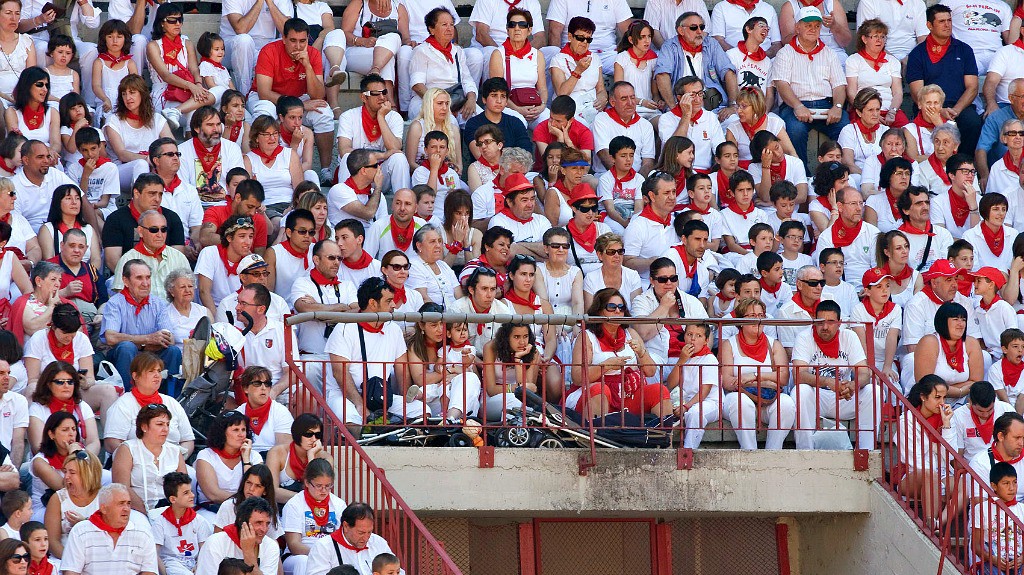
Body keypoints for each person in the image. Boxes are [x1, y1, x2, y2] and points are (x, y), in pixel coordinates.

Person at [791, 299, 879, 449]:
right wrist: (827, 382)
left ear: (840, 322)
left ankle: (867, 451)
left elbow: (864, 372)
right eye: (820, 322)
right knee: (801, 390)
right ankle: (805, 452)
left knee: (874, 391)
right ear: (814, 321)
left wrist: (853, 385)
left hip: (844, 395)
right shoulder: (804, 337)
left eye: (831, 322)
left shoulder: (849, 336)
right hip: (817, 396)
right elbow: (798, 375)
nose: (825, 327)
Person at [325, 278, 408, 433]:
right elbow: (340, 372)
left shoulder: (394, 329)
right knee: (352, 423)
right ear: (372, 303)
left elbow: (402, 370)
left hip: (382, 396)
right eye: (389, 301)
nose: (394, 305)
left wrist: (406, 400)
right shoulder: (344, 328)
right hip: (345, 395)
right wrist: (359, 404)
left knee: (421, 411)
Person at [569, 287, 666, 418]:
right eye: (611, 307)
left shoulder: (630, 333)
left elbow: (650, 372)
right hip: (595, 394)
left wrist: (642, 353)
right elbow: (577, 377)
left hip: (627, 393)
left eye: (621, 307)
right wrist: (606, 366)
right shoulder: (587, 336)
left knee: (659, 390)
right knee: (600, 389)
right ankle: (595, 435)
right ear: (599, 311)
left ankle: (663, 437)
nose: (618, 311)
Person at [770, 7, 849, 166]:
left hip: (826, 105)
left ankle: (841, 171)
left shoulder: (829, 53)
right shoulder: (785, 53)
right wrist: (798, 106)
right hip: (795, 105)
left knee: (845, 128)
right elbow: (782, 85)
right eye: (807, 25)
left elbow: (839, 85)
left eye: (816, 25)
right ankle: (802, 176)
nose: (813, 29)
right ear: (797, 27)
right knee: (795, 130)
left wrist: (838, 106)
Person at [719, 297, 795, 450]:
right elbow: (727, 381)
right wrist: (769, 379)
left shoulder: (774, 344)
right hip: (737, 401)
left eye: (761, 316)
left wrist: (753, 377)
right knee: (741, 401)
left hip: (768, 400)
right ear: (741, 320)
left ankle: (773, 453)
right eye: (752, 316)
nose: (758, 320)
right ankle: (750, 452)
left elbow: (784, 377)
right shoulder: (729, 344)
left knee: (786, 403)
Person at [906, 5, 983, 156]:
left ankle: (962, 163)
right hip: (930, 107)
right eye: (941, 21)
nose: (947, 25)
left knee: (972, 122)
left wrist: (956, 110)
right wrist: (939, 110)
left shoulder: (964, 49)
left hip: (959, 106)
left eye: (949, 20)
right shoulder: (917, 54)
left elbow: (972, 87)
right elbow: (917, 94)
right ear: (929, 25)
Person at [101, 259, 181, 390]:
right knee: (127, 348)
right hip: (125, 356)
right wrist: (147, 340)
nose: (145, 283)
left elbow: (170, 338)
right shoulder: (115, 303)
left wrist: (145, 346)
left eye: (148, 277)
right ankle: (127, 395)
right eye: (139, 278)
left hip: (151, 354)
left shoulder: (158, 303)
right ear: (126, 281)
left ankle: (167, 399)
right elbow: (110, 337)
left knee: (173, 351)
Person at [102, 352, 194, 457]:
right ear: (135, 376)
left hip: (172, 463)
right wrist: (142, 459)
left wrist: (179, 459)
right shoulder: (123, 404)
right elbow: (111, 443)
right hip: (135, 464)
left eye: (159, 371)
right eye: (151, 371)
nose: (157, 375)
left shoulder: (172, 402)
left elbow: (188, 440)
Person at [654, 13, 737, 123]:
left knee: (734, 122)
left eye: (701, 27)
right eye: (694, 27)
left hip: (712, 107)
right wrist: (673, 108)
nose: (699, 31)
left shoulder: (711, 44)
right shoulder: (670, 46)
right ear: (681, 30)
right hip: (681, 106)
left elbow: (728, 72)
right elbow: (661, 75)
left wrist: (733, 105)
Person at [60, 483, 157, 575]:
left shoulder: (144, 534)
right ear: (104, 509)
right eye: (121, 503)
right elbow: (71, 571)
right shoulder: (80, 531)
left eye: (128, 503)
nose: (126, 509)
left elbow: (149, 572)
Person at [335, 74, 409, 193]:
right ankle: (345, 201)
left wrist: (381, 117)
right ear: (364, 97)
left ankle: (403, 201)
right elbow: (344, 150)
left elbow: (395, 148)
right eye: (375, 94)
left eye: (384, 92)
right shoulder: (348, 116)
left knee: (399, 158)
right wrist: (381, 155)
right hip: (358, 174)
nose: (382, 97)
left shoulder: (394, 117)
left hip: (381, 174)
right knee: (347, 158)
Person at [101, 174, 187, 274]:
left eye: (160, 194)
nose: (157, 199)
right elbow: (112, 261)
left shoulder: (172, 218)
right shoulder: (116, 219)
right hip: (127, 279)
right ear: (136, 193)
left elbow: (177, 258)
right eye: (152, 194)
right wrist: (139, 280)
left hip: (166, 278)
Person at [145, 4, 212, 131]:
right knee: (195, 112)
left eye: (180, 19)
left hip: (188, 90)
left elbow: (194, 69)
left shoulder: (187, 43)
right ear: (161, 23)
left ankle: (179, 116)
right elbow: (166, 75)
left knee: (217, 91)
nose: (177, 24)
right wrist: (191, 86)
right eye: (172, 20)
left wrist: (198, 84)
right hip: (164, 93)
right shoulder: (153, 46)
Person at [111, 403, 186, 512]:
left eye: (167, 424)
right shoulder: (127, 449)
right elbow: (122, 488)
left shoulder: (175, 450)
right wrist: (146, 512)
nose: (165, 429)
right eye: (160, 424)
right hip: (136, 510)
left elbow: (184, 487)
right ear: (144, 426)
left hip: (171, 510)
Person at [103, 75, 174, 192]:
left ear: (142, 94)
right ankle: (139, 205)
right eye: (124, 94)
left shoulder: (156, 119)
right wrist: (149, 159)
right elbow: (122, 154)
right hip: (120, 171)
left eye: (132, 92)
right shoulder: (114, 120)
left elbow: (171, 147)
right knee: (141, 165)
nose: (128, 97)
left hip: (152, 168)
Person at [407, 7, 477, 123]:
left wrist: (471, 98)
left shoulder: (457, 51)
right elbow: (417, 85)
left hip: (455, 99)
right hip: (427, 100)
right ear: (432, 29)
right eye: (444, 24)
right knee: (449, 122)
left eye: (452, 24)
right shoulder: (422, 50)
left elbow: (467, 79)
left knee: (477, 119)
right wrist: (438, 103)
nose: (450, 29)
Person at [110, 210, 191, 301]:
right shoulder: (127, 259)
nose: (160, 235)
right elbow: (121, 300)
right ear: (140, 231)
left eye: (163, 229)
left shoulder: (179, 257)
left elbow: (188, 293)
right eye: (154, 230)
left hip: (174, 313)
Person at [281, 459, 344, 575]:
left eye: (328, 486)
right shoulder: (294, 504)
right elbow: (294, 545)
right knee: (304, 562)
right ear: (306, 482)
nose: (324, 491)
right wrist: (320, 554)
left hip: (330, 555)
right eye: (319, 486)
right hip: (298, 556)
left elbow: (343, 539)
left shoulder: (339, 504)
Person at [487, 8, 547, 127]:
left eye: (522, 25)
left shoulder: (537, 55)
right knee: (519, 122)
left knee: (550, 123)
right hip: (508, 105)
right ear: (507, 29)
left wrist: (542, 106)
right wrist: (518, 109)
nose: (517, 28)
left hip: (533, 104)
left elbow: (543, 88)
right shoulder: (498, 54)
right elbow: (496, 91)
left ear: (529, 30)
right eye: (512, 25)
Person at [812, 187, 880, 289]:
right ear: (840, 206)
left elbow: (878, 268)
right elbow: (825, 272)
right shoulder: (827, 237)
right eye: (853, 203)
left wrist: (869, 290)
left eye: (861, 203)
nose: (859, 208)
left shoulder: (873, 233)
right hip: (839, 290)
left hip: (869, 290)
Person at [304, 503, 397, 575]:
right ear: (346, 526)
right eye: (361, 533)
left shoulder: (378, 542)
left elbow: (397, 570)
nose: (366, 538)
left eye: (369, 532)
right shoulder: (324, 547)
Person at [243, 116, 304, 225]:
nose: (272, 138)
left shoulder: (289, 154)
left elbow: (300, 189)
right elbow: (248, 192)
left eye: (275, 133)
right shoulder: (249, 159)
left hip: (290, 204)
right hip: (265, 207)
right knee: (278, 223)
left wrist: (291, 207)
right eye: (267, 134)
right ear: (256, 137)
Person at [547, 17, 606, 128]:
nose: (584, 43)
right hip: (569, 111)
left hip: (592, 108)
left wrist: (603, 99)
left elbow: (601, 89)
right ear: (570, 37)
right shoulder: (558, 60)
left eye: (588, 39)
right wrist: (578, 71)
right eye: (580, 38)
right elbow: (561, 94)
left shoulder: (595, 58)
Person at [194, 497, 279, 575]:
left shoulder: (271, 546)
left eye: (267, 523)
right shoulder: (216, 542)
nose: (264, 529)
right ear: (242, 521)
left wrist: (248, 553)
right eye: (258, 523)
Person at [179, 107, 245, 206]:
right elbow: (183, 188)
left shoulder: (232, 148)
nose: (216, 129)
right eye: (210, 125)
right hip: (194, 206)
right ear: (197, 128)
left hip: (225, 206)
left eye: (218, 124)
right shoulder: (181, 151)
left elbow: (238, 183)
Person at [42, 448, 101, 559]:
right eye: (65, 472)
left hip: (97, 559)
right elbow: (53, 541)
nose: (66, 476)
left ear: (87, 474)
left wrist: (84, 523)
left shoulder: (104, 498)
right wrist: (72, 561)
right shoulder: (58, 499)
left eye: (72, 472)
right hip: (64, 557)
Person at [151, 472, 213, 575]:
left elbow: (205, 550)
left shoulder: (199, 521)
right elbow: (153, 553)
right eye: (186, 493)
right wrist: (164, 573)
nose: (192, 495)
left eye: (191, 491)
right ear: (173, 499)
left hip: (194, 565)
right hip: (171, 565)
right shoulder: (160, 523)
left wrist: (198, 566)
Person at [481, 321, 541, 421]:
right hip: (490, 402)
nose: (522, 342)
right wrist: (518, 388)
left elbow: (528, 391)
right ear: (506, 337)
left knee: (525, 406)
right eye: (516, 337)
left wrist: (517, 359)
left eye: (525, 336)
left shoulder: (532, 352)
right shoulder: (491, 348)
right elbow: (491, 390)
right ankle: (508, 433)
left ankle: (516, 432)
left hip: (519, 400)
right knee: (514, 400)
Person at [11, 140, 75, 233]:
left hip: (60, 229)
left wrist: (96, 232)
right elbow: (16, 223)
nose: (46, 161)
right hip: (29, 234)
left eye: (48, 156)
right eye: (40, 157)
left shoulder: (56, 174)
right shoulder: (14, 185)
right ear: (26, 160)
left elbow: (81, 197)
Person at [592, 82, 655, 176]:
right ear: (613, 102)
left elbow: (648, 162)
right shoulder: (601, 119)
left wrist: (636, 182)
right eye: (624, 99)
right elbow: (604, 154)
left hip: (638, 179)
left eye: (632, 97)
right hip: (607, 175)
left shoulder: (645, 125)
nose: (630, 103)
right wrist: (624, 178)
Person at [623, 172, 677, 281]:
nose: (672, 197)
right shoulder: (637, 226)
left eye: (674, 192)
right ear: (652, 196)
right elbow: (626, 262)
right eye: (666, 193)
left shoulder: (677, 221)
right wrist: (653, 262)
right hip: (646, 285)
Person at [195, 216, 254, 312]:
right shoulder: (210, 253)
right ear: (229, 238)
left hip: (241, 312)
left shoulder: (251, 260)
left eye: (250, 236)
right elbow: (204, 291)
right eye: (242, 236)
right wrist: (217, 321)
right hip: (213, 312)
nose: (248, 242)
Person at [199, 180, 270, 257]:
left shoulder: (259, 220)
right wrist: (237, 243)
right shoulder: (215, 212)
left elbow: (259, 256)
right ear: (238, 198)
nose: (253, 213)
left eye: (256, 208)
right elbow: (205, 237)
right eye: (250, 207)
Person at [265, 414, 329, 498]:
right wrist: (301, 500)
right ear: (297, 434)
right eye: (308, 434)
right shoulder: (277, 452)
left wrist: (311, 456)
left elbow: (317, 490)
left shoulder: (326, 458)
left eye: (317, 435)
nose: (313, 439)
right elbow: (272, 491)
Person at [449, 267, 512, 353]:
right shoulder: (457, 310)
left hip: (493, 361)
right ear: (471, 289)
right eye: (484, 289)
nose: (489, 295)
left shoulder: (504, 311)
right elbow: (453, 348)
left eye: (493, 289)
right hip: (463, 361)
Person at [234, 366, 293, 455]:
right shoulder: (238, 413)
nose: (263, 388)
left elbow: (284, 452)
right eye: (257, 383)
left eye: (267, 384)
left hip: (272, 462)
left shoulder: (281, 412)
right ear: (246, 388)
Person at [463, 78, 531, 154]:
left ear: (506, 101)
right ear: (484, 99)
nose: (499, 101)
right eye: (494, 95)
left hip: (516, 165)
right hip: (483, 165)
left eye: (503, 96)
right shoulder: (473, 124)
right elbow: (480, 155)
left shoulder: (515, 122)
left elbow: (526, 153)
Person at [896, 186, 955, 272]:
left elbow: (948, 267)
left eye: (927, 202)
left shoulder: (943, 233)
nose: (925, 207)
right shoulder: (897, 239)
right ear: (906, 210)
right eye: (919, 203)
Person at [212, 465, 281, 537]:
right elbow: (216, 538)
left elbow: (273, 541)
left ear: (265, 491)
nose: (251, 489)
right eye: (249, 483)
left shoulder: (269, 509)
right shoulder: (228, 506)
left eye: (258, 486)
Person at [327, 148, 388, 230]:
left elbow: (382, 227)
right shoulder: (339, 190)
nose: (379, 168)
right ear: (363, 171)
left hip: (369, 241)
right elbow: (368, 213)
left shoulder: (378, 194)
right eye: (375, 166)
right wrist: (378, 186)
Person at [970, 412, 1024, 502]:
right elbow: (980, 505)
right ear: (1001, 436)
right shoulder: (980, 463)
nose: (1021, 443)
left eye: (1023, 438)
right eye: (1017, 438)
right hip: (995, 514)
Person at [4, 68, 58, 156]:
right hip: (23, 160)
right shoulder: (12, 112)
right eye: (40, 84)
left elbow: (56, 144)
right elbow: (15, 144)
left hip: (48, 158)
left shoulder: (52, 112)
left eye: (46, 85)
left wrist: (50, 152)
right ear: (27, 86)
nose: (45, 89)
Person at [931, 154, 982, 239]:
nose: (970, 175)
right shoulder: (938, 202)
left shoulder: (981, 201)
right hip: (949, 250)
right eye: (965, 171)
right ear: (952, 175)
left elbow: (978, 237)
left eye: (972, 171)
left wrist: (973, 207)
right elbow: (939, 237)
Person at [162, 269, 211, 351]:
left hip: (203, 359)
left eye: (190, 286)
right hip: (178, 359)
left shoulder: (204, 312)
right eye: (182, 287)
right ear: (171, 291)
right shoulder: (165, 314)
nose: (187, 290)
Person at [864, 156, 913, 233]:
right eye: (899, 173)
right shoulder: (874, 201)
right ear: (888, 176)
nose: (904, 177)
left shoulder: (915, 201)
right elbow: (871, 235)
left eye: (907, 173)